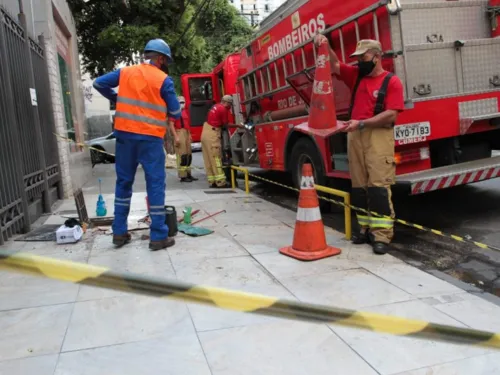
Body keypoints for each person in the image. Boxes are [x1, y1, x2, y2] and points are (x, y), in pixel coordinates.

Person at [314, 36, 405, 255]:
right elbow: (334, 65)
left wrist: (362, 123)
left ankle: (381, 235)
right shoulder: (356, 76)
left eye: (363, 57)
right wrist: (324, 45)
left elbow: (391, 113)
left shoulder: (391, 81)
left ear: (377, 56)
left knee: (378, 187)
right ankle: (364, 229)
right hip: (355, 135)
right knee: (359, 186)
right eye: (357, 58)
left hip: (377, 136)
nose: (358, 62)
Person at [93, 38, 181, 251]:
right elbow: (176, 111)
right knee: (155, 184)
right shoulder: (163, 79)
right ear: (160, 58)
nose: (164, 64)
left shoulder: (126, 72)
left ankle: (119, 232)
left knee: (123, 182)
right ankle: (158, 235)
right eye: (164, 61)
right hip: (150, 138)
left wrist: (115, 97)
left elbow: (98, 83)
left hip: (124, 137)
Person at [201, 95, 243, 188]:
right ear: (227, 103)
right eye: (230, 105)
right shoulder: (223, 109)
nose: (230, 107)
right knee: (216, 158)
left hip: (205, 131)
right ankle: (221, 182)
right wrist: (238, 125)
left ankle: (212, 182)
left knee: (208, 158)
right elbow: (225, 124)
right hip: (213, 133)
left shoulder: (215, 106)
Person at [172, 96, 198, 182]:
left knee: (188, 155)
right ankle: (183, 175)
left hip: (186, 132)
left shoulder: (185, 112)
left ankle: (188, 173)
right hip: (179, 132)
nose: (182, 104)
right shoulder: (174, 112)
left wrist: (189, 135)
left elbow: (187, 124)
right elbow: (171, 125)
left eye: (183, 102)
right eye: (180, 102)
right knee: (182, 155)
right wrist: (176, 136)